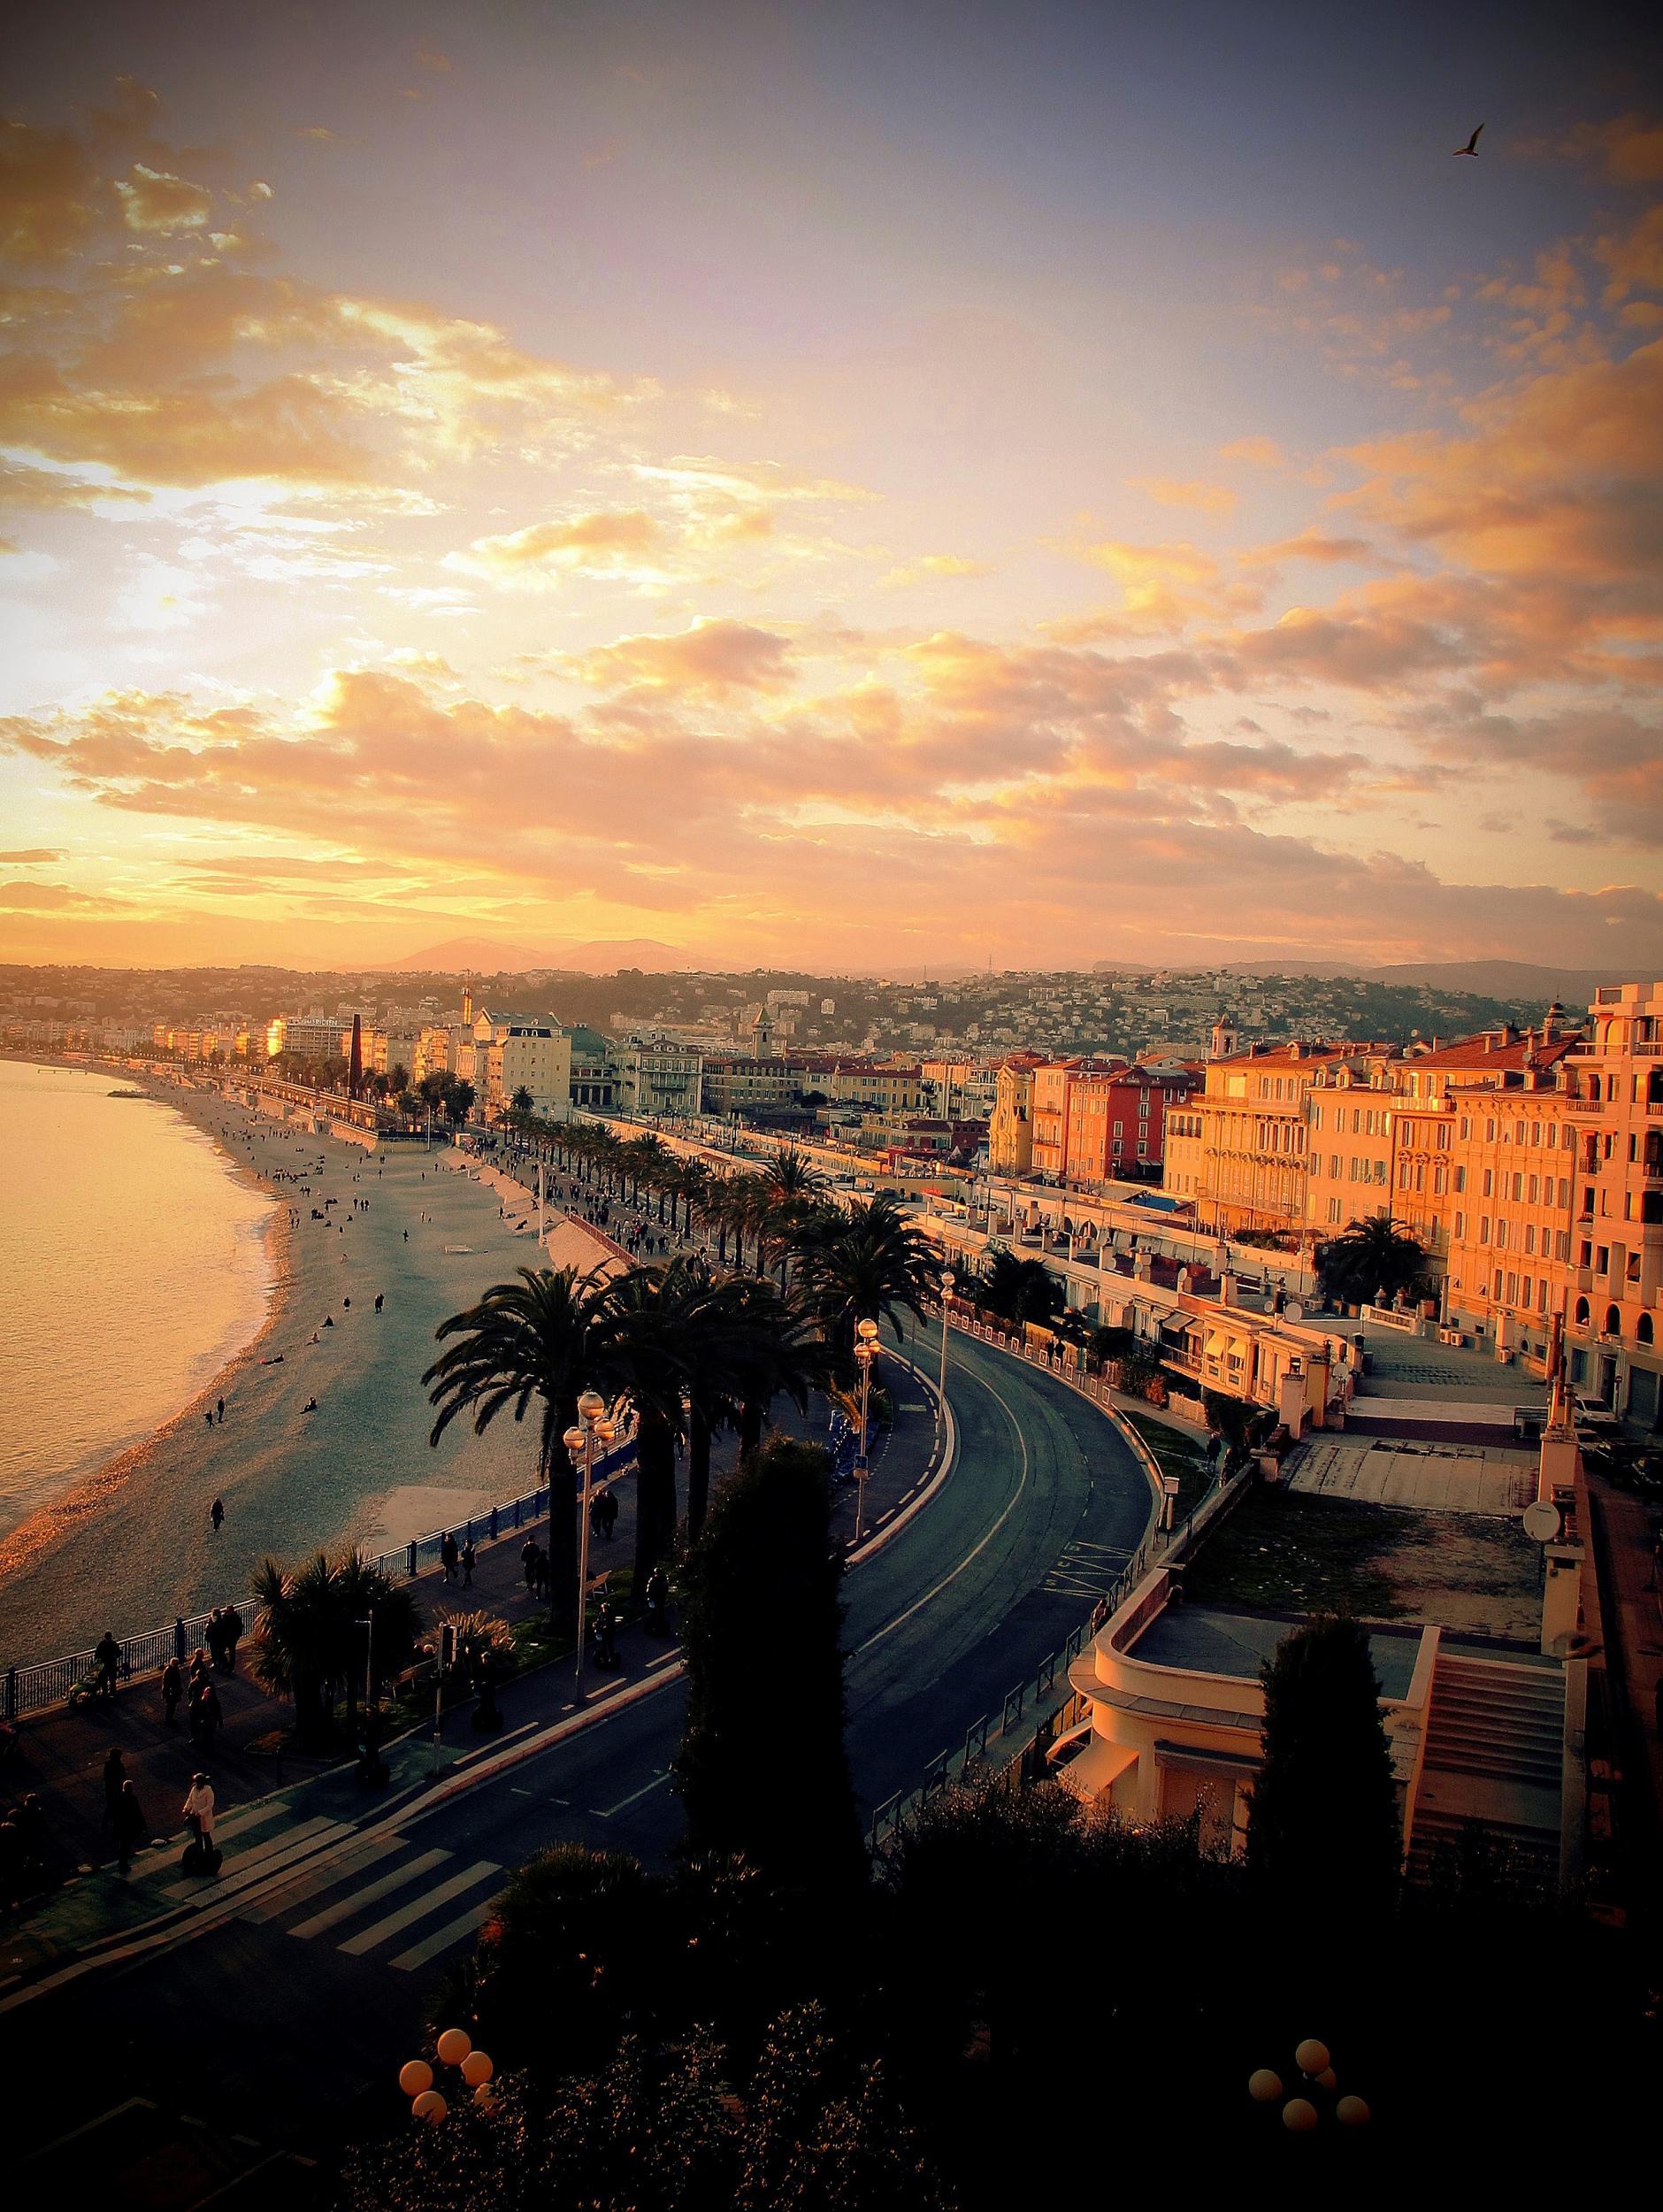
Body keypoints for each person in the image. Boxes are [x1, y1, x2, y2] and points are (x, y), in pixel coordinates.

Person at [113, 1780, 146, 1876]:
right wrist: (143, 1825)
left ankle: (122, 1864)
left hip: (122, 1826)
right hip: (129, 1825)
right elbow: (138, 1812)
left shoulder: (119, 1798)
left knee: (123, 1845)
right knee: (126, 1845)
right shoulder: (132, 1798)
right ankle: (123, 1864)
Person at [182, 1772, 216, 1853]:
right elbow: (190, 1799)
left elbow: (210, 1805)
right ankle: (199, 1852)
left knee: (206, 1836)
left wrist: (201, 1813)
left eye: (198, 1782)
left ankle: (209, 1852)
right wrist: (186, 1808)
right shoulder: (194, 1789)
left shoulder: (208, 1790)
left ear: (202, 1783)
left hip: (204, 1818)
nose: (196, 1784)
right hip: (195, 1817)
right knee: (197, 1836)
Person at [103, 1746, 126, 1833]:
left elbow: (106, 1778)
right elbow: (123, 1776)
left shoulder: (108, 1765)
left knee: (111, 1806)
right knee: (115, 1806)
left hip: (110, 1788)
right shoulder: (119, 1765)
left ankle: (106, 1824)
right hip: (116, 1788)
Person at [95, 1629, 122, 1696]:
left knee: (105, 1680)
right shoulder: (113, 1644)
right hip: (111, 1665)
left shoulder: (102, 1644)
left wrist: (98, 1661)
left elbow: (97, 1654)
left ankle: (105, 1693)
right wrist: (115, 1656)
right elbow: (119, 1653)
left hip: (104, 1665)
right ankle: (112, 1693)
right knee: (111, 1680)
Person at [161, 1654, 183, 1726]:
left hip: (173, 1691)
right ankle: (169, 1719)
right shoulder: (169, 1671)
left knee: (172, 1706)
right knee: (170, 1706)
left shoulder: (172, 1670)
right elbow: (167, 1683)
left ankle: (170, 1718)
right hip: (171, 1692)